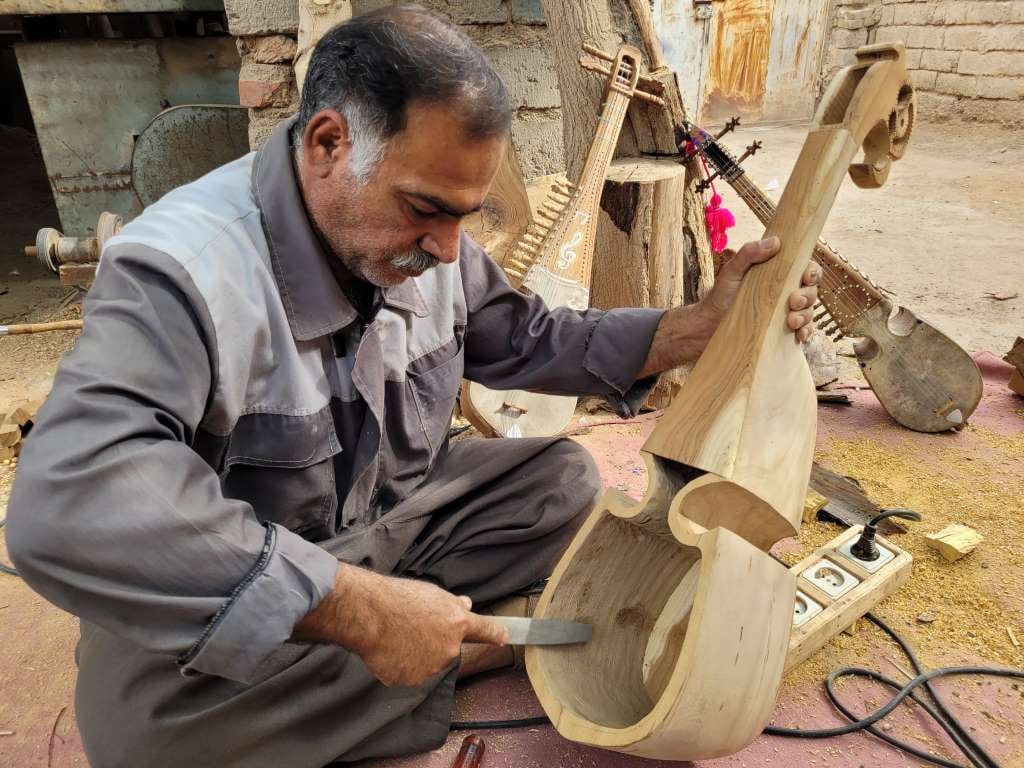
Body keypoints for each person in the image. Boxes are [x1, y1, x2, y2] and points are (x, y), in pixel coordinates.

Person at [6, 6, 820, 767]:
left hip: (382, 525)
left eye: (465, 215)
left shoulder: (433, 242)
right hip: (256, 567)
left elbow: (529, 339)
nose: (448, 247)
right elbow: (68, 507)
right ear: (327, 143)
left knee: (561, 480)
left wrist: (697, 327)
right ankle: (446, 650)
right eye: (428, 209)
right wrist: (359, 610)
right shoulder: (179, 273)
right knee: (144, 733)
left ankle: (391, 652)